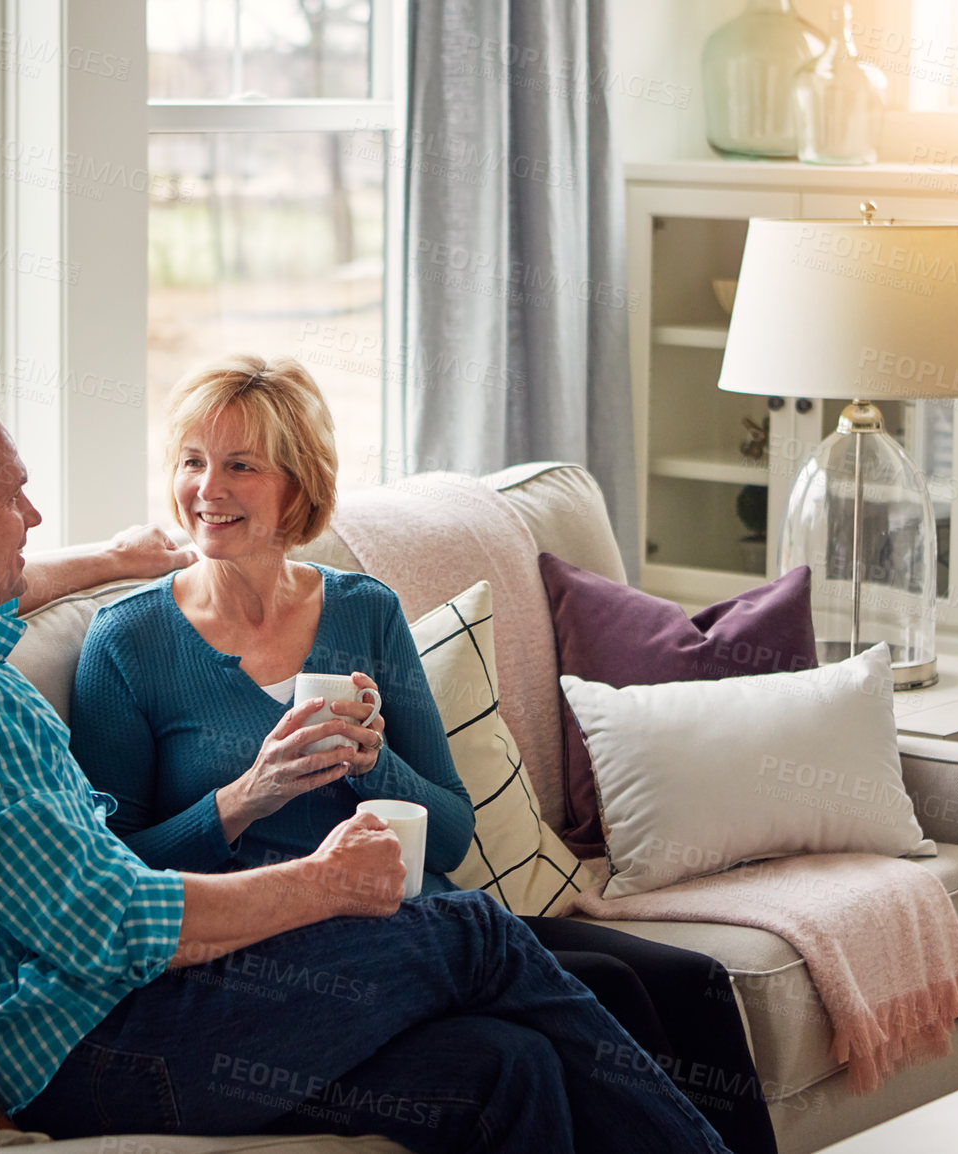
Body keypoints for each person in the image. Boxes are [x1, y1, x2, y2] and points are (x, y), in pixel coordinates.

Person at [0, 382, 729, 1154]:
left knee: (503, 1068)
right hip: (103, 1038)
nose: (33, 514)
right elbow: (122, 922)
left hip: (90, 1019)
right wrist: (322, 877)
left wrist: (96, 557)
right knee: (473, 930)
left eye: (242, 465)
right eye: (14, 496)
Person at [70, 356, 777, 1154]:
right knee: (592, 1001)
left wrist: (374, 762)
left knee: (693, 983)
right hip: (283, 953)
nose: (209, 488)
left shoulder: (363, 611)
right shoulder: (127, 643)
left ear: (296, 486)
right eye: (192, 462)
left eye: (241, 465)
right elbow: (115, 870)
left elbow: (448, 835)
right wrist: (247, 798)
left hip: (419, 917)